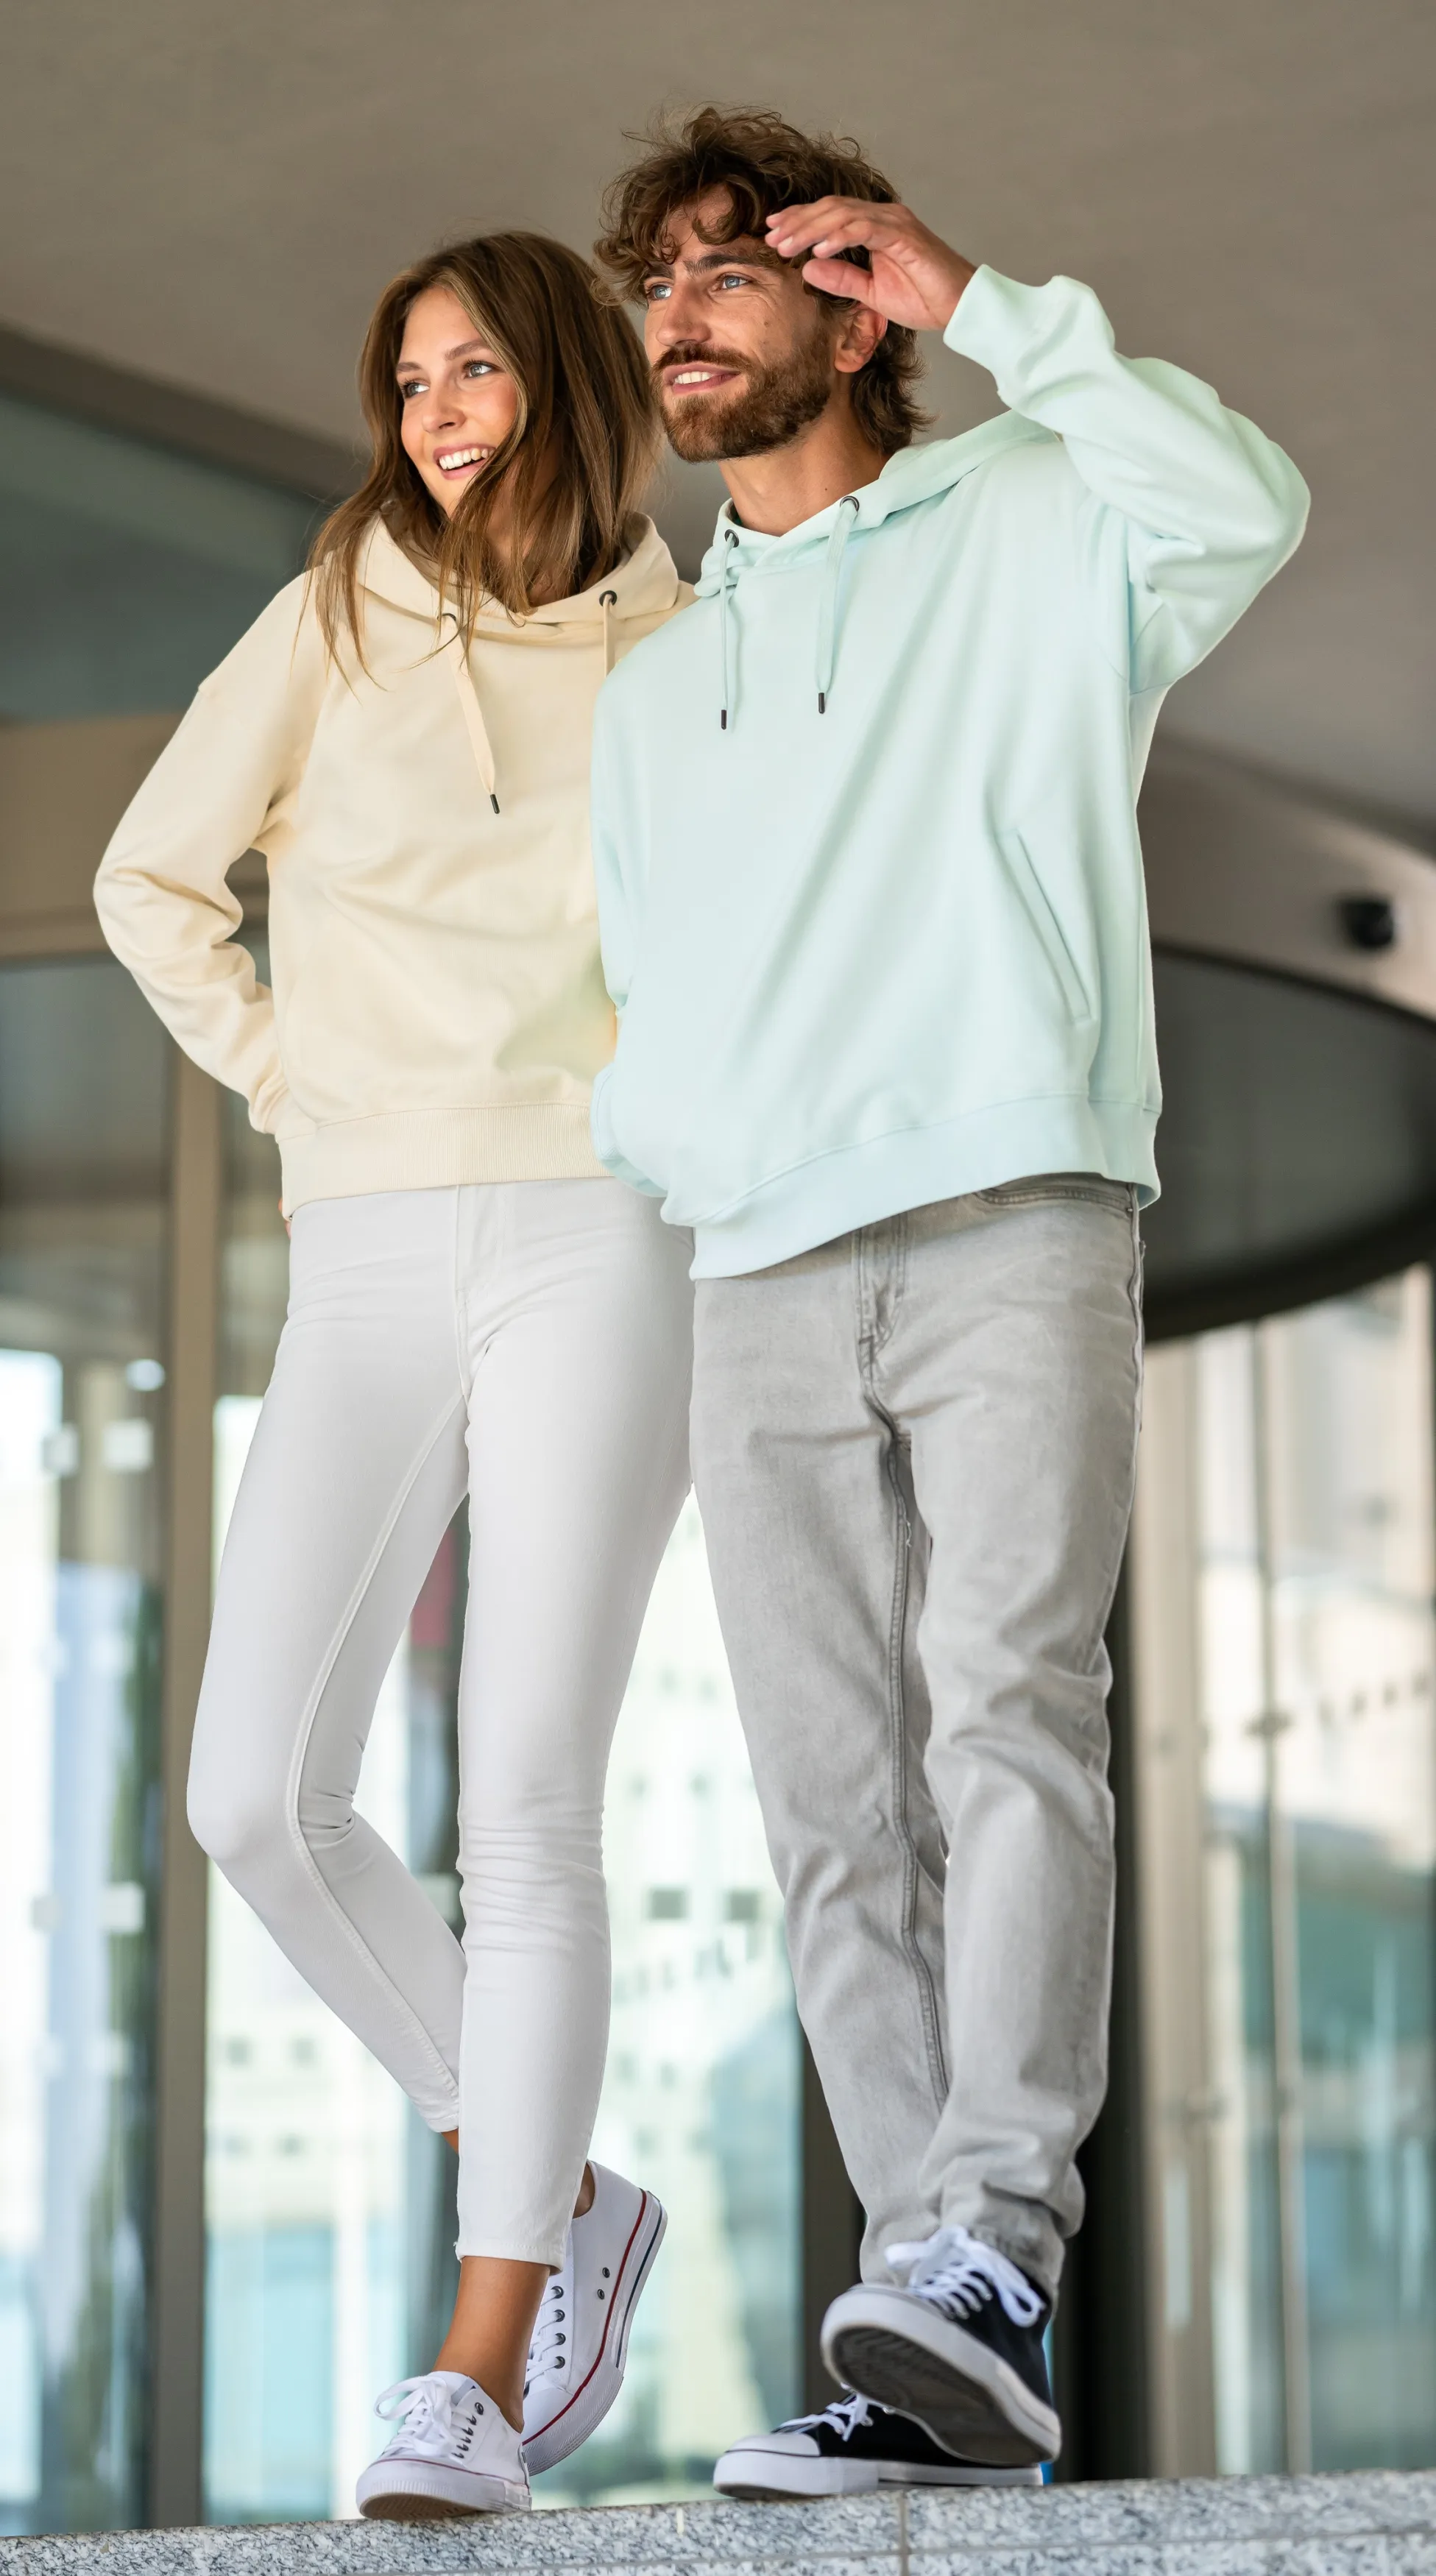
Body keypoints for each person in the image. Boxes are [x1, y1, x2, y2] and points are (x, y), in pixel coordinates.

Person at [587, 108, 1308, 2497]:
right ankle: (933, 2329)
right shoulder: (655, 682)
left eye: (730, 266)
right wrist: (680, 1150)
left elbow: (1244, 501)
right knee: (826, 1800)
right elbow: (643, 979)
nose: (678, 312)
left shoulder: (1036, 512)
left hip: (1010, 1201)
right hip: (756, 1261)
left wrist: (986, 308)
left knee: (1008, 1711)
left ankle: (989, 2236)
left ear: (848, 302)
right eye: (654, 283)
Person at [95, 231, 694, 2520]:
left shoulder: (684, 646)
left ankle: (479, 2350)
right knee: (254, 1791)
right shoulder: (332, 615)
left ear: (564, 382)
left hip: (597, 1230)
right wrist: (297, 1081)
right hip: (362, 1231)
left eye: (474, 368)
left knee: (524, 1793)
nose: (435, 411)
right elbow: (151, 878)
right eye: (409, 376)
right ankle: (564, 2182)